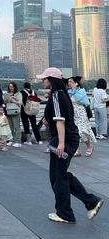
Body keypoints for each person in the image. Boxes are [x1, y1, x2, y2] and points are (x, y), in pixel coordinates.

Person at [37, 67, 103, 224]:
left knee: (58, 177)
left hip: (65, 139)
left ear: (51, 80)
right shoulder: (62, 94)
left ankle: (66, 213)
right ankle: (90, 202)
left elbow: (61, 120)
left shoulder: (56, 95)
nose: (42, 81)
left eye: (44, 78)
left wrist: (60, 143)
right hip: (69, 138)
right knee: (60, 175)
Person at [67, 76, 95, 157]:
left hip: (80, 112)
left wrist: (74, 90)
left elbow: (79, 99)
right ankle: (77, 149)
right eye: (68, 82)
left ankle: (89, 146)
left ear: (76, 83)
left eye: (71, 82)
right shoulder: (69, 92)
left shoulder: (81, 91)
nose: (69, 83)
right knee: (74, 132)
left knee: (81, 131)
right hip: (72, 113)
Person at [3, 81, 22, 147]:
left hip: (15, 111)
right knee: (10, 127)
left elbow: (20, 103)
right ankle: (11, 140)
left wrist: (12, 100)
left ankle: (18, 141)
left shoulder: (18, 94)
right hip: (8, 111)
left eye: (12, 87)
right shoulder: (7, 93)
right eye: (10, 87)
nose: (11, 88)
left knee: (16, 127)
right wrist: (5, 99)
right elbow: (5, 103)